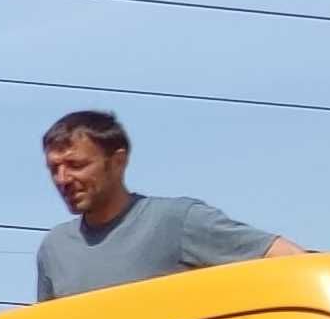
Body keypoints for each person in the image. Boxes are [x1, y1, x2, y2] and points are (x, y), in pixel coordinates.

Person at [34, 109, 297, 300]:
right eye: (53, 169)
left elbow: (290, 260)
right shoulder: (55, 249)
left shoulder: (176, 221)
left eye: (76, 165)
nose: (62, 179)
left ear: (118, 162)